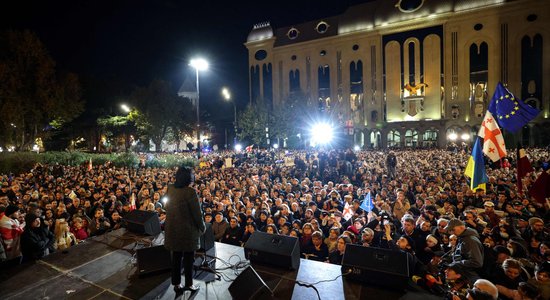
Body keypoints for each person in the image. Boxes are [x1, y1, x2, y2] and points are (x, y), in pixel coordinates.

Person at [164, 166, 206, 295]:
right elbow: (197, 214)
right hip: (188, 231)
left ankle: (176, 284)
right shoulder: (190, 192)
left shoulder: (170, 188)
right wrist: (202, 227)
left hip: (173, 230)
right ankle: (189, 284)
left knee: (176, 258)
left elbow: (166, 206)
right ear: (189, 178)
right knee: (189, 259)